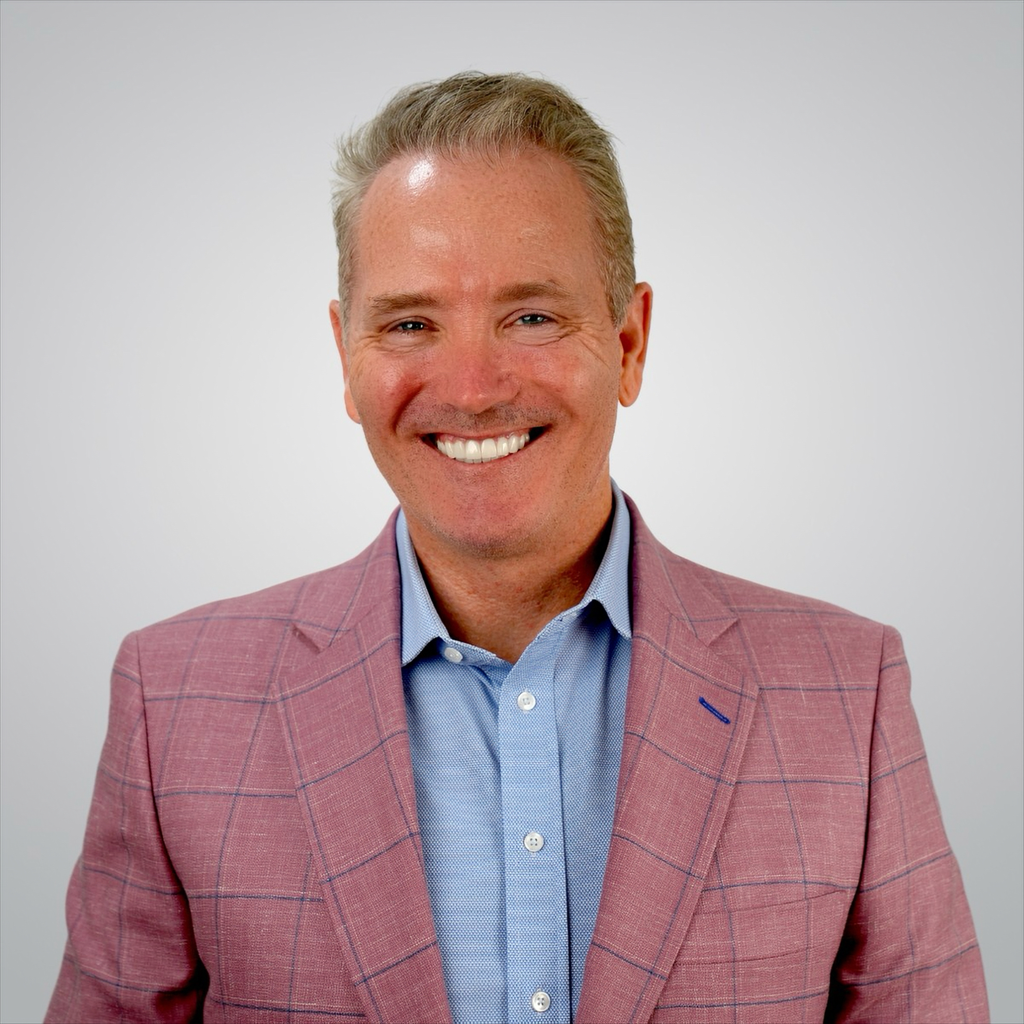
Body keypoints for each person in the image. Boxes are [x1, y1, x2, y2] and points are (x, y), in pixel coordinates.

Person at [46, 72, 987, 1024]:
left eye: (531, 316)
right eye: (410, 323)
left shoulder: (847, 692)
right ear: (345, 355)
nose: (473, 387)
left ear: (629, 342)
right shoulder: (171, 704)